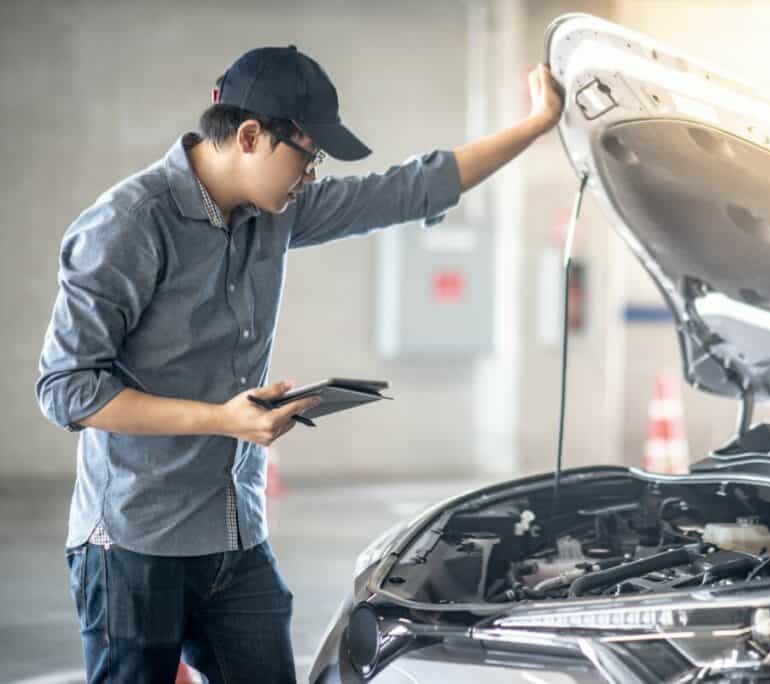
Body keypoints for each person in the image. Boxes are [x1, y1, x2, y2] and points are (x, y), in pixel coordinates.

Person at [35, 44, 564, 683]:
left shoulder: (276, 216)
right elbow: (68, 390)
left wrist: (536, 125)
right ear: (251, 136)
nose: (311, 175)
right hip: (133, 541)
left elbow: (411, 187)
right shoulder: (128, 224)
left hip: (233, 532)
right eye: (308, 156)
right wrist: (220, 420)